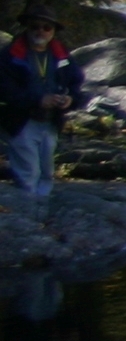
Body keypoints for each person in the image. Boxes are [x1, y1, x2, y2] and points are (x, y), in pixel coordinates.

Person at [0, 13, 83, 203]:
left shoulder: (61, 54)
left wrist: (71, 99)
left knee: (46, 171)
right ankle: (28, 216)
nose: (41, 31)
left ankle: (42, 209)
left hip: (51, 120)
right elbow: (5, 91)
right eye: (35, 26)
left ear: (54, 31)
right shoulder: (10, 55)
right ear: (27, 28)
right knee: (28, 171)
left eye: (47, 28)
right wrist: (38, 100)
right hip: (20, 121)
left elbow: (76, 84)